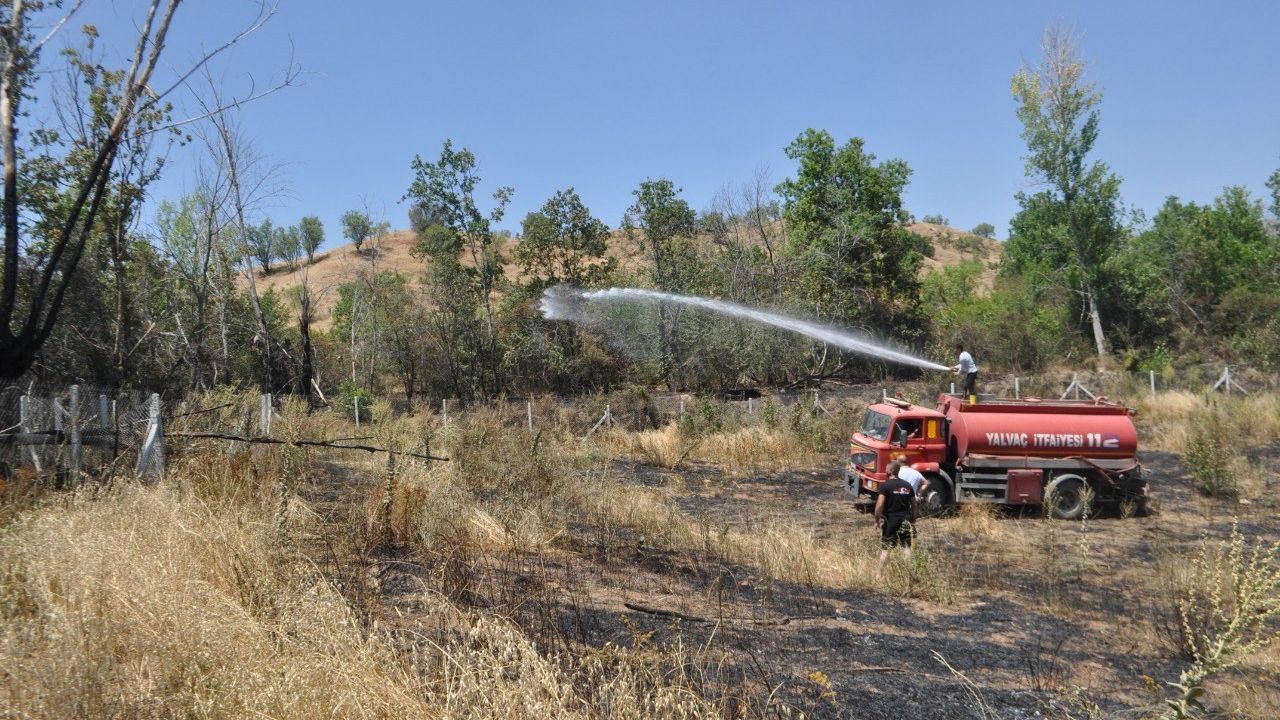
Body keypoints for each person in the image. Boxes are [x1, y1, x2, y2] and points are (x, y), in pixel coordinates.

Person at [874, 463, 917, 583]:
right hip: (905, 520)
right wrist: (913, 519)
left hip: (891, 520)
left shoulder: (885, 486)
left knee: (886, 548)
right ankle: (908, 577)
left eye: (886, 468)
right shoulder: (907, 485)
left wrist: (877, 520)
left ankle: (879, 576)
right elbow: (914, 504)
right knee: (906, 547)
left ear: (890, 471)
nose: (885, 470)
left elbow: (880, 504)